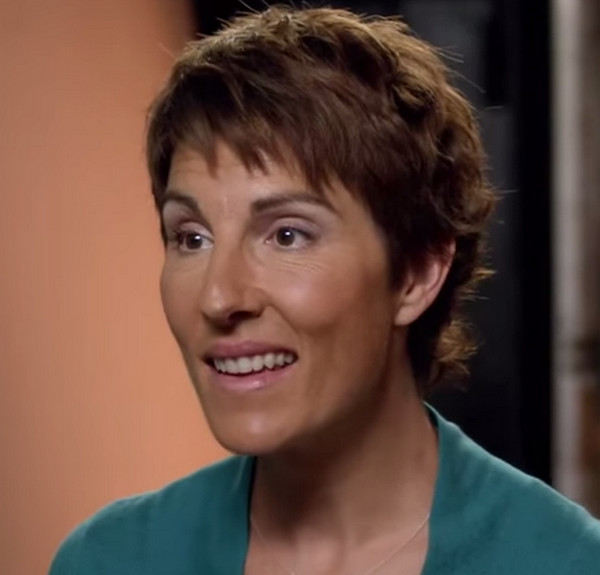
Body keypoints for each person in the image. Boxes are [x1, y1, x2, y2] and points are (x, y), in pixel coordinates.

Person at [50, 5, 600, 574]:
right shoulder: (110, 559)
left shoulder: (565, 562)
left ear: (416, 273)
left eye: (287, 235)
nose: (219, 297)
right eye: (192, 237)